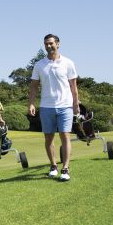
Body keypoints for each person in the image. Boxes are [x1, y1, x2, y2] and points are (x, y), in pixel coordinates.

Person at [28, 34, 79, 181]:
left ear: (58, 44)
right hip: (46, 106)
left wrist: (76, 104)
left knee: (65, 136)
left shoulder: (68, 63)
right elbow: (33, 87)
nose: (48, 46)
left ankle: (65, 168)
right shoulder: (39, 65)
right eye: (46, 44)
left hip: (65, 106)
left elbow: (73, 86)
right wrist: (31, 103)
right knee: (49, 137)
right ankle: (53, 166)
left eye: (51, 43)